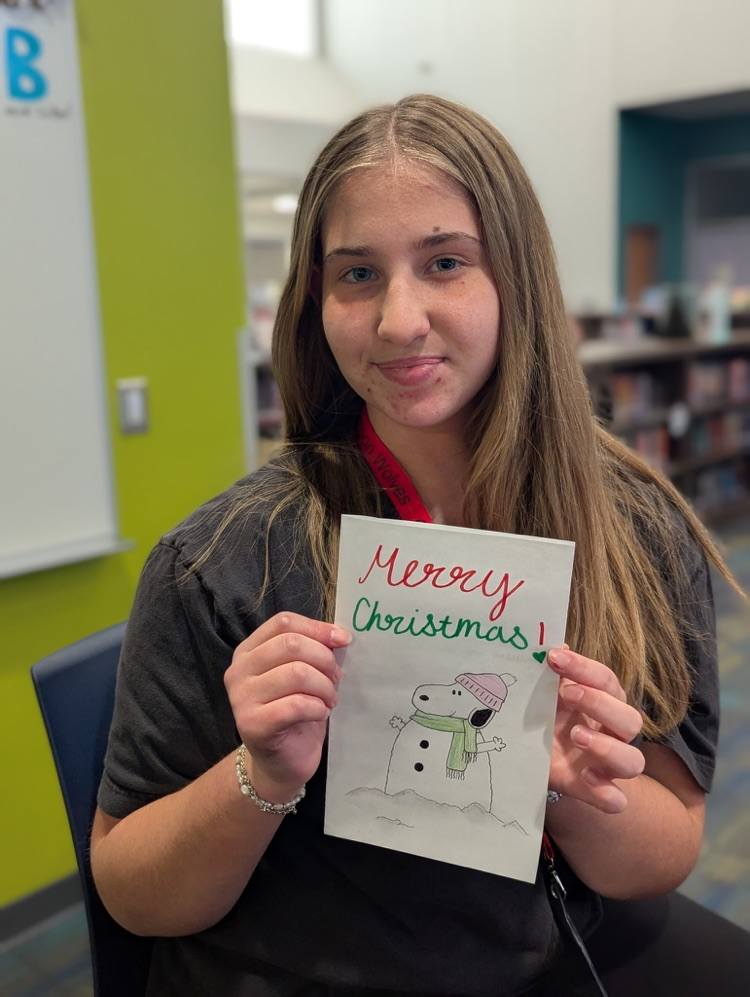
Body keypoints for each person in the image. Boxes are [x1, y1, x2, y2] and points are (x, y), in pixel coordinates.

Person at [90, 93, 747, 996]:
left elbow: (662, 849)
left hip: (547, 950)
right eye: (357, 274)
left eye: (445, 261)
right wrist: (262, 774)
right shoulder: (224, 562)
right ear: (315, 298)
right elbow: (132, 892)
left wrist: (558, 782)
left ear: (517, 276)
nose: (400, 321)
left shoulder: (630, 529)